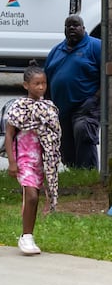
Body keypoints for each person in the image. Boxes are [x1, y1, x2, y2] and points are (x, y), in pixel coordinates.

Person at [5, 61, 61, 255]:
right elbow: (9, 134)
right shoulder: (18, 107)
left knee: (35, 198)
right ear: (26, 85)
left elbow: (54, 134)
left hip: (42, 161)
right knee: (31, 195)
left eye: (43, 83)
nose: (41, 87)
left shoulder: (49, 108)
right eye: (36, 83)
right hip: (24, 159)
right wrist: (12, 162)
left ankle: (28, 235)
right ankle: (26, 236)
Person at [44, 14, 101, 170]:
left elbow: (107, 75)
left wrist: (96, 97)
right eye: (68, 26)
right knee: (66, 145)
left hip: (87, 104)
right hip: (61, 107)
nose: (71, 28)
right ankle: (75, 172)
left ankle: (88, 172)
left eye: (75, 25)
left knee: (82, 130)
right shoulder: (56, 51)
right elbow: (46, 78)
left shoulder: (95, 46)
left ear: (83, 28)